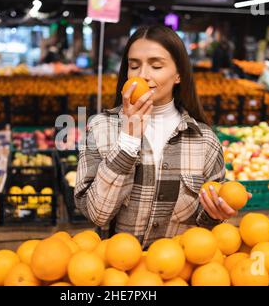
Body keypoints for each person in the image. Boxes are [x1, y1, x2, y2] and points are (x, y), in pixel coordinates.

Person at [74, 25, 251, 248]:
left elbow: (203, 233)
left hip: (174, 273)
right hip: (117, 271)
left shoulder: (204, 141)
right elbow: (97, 214)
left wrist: (215, 214)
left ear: (178, 75)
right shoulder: (100, 128)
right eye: (134, 66)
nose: (142, 75)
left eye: (156, 65)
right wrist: (128, 140)